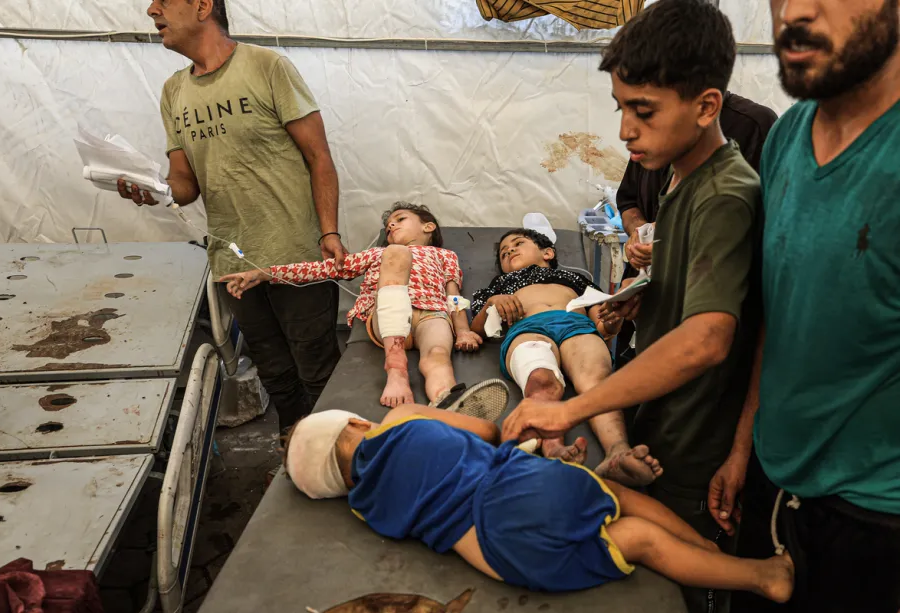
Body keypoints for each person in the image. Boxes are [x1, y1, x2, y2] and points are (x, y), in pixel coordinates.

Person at [501, 2, 763, 611]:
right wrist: (639, 302)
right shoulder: (678, 179)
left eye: (643, 111)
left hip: (698, 441)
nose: (624, 131)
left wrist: (573, 410)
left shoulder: (725, 194)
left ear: (706, 106)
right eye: (620, 108)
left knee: (689, 576)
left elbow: (709, 339)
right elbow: (695, 294)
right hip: (663, 421)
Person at [729, 1, 900, 612]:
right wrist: (745, 446)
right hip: (774, 486)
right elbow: (782, 316)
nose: (794, 11)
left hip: (875, 520)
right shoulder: (787, 136)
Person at [281, 407, 795, 602]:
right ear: (356, 423)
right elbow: (486, 431)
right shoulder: (398, 421)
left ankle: (760, 578)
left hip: (494, 550)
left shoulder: (364, 508)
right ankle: (712, 549)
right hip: (515, 485)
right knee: (620, 499)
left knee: (635, 542)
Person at [119, 0, 345, 434]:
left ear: (203, 6)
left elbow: (319, 156)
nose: (151, 10)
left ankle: (340, 454)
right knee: (274, 371)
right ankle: (293, 450)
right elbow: (185, 183)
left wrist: (329, 232)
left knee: (318, 369)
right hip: (232, 260)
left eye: (164, 1)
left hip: (296, 253)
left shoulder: (266, 67)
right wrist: (154, 189)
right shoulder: (173, 91)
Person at [221, 203, 499, 415]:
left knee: (438, 355)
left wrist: (463, 330)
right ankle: (396, 370)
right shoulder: (379, 252)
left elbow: (453, 295)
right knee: (396, 254)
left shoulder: (445, 255)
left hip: (431, 314)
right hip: (388, 320)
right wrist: (265, 273)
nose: (391, 227)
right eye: (388, 226)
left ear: (428, 227)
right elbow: (321, 269)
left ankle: (447, 400)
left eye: (400, 219)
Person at [468, 228, 663, 486]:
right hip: (528, 329)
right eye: (504, 253)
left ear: (548, 253)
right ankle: (553, 448)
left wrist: (614, 318)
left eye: (518, 244)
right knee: (541, 380)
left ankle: (618, 452)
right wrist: (494, 302)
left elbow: (603, 327)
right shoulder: (499, 285)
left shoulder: (575, 278)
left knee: (597, 381)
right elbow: (478, 329)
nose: (510, 251)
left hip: (577, 327)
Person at [618, 91, 778, 272]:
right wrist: (639, 233)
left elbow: (761, 224)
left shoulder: (756, 126)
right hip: (646, 281)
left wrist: (674, 241)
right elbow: (628, 201)